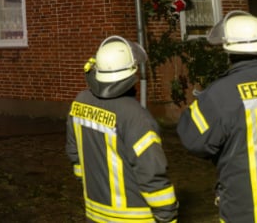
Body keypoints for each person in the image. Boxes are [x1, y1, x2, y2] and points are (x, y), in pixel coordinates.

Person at [177, 10, 257, 222]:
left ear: (229, 52)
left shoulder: (221, 94)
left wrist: (203, 102)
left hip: (249, 214)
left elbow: (193, 139)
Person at [66, 36, 178, 223]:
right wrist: (167, 215)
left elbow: (75, 156)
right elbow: (150, 172)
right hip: (133, 217)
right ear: (131, 75)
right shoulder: (136, 117)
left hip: (94, 212)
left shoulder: (80, 102)